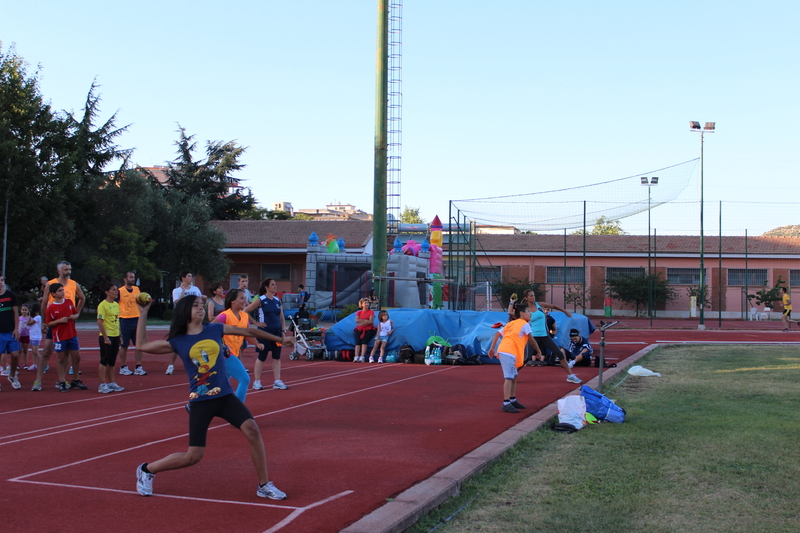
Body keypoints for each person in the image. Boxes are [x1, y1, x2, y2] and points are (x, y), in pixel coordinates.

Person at [133, 295, 293, 500]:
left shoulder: (214, 329)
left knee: (252, 428)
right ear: (184, 312)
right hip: (200, 401)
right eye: (195, 306)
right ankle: (147, 469)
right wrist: (143, 313)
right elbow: (141, 345)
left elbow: (247, 331)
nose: (201, 309)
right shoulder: (178, 341)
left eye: (201, 305)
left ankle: (264, 485)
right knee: (194, 456)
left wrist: (279, 339)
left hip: (225, 397)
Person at [33, 261, 86, 391]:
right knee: (46, 351)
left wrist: (76, 313)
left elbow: (82, 298)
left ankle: (62, 380)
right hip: (55, 323)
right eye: (65, 269)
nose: (68, 271)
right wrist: (44, 323)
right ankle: (38, 380)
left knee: (66, 353)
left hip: (68, 324)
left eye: (69, 269)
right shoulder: (50, 284)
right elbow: (44, 303)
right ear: (59, 271)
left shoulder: (74, 284)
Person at [516, 289, 582, 384]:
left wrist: (565, 311)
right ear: (526, 298)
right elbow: (514, 315)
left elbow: (554, 306)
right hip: (533, 336)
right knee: (527, 358)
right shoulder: (525, 309)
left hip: (545, 336)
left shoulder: (539, 305)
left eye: (534, 295)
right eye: (531, 296)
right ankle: (513, 374)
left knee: (559, 353)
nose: (533, 297)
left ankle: (570, 376)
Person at [488, 303, 542, 413]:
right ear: (522, 314)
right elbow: (532, 340)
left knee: (514, 376)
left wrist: (492, 348)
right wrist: (539, 351)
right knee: (509, 377)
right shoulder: (524, 324)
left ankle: (512, 399)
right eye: (528, 311)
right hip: (508, 351)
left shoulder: (511, 323)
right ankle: (506, 402)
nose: (530, 313)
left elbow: (497, 334)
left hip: (506, 350)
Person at [244, 278, 289, 390]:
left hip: (277, 333)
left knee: (276, 357)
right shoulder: (261, 300)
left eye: (275, 284)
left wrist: (283, 331)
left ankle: (277, 381)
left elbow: (282, 318)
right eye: (272, 285)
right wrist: (255, 322)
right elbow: (245, 311)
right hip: (264, 333)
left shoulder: (277, 301)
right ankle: (257, 381)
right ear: (266, 287)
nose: (275, 286)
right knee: (262, 356)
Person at [213, 289, 257, 402]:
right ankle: (238, 407)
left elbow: (247, 333)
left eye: (245, 298)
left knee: (220, 386)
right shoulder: (224, 316)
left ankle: (197, 406)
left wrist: (257, 343)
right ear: (233, 301)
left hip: (234, 353)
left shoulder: (245, 316)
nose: (245, 301)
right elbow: (209, 330)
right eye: (241, 298)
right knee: (244, 379)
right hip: (225, 354)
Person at [45, 282, 88, 392]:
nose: (62, 292)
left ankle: (76, 380)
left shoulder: (69, 302)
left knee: (77, 357)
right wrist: (60, 320)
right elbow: (49, 323)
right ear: (53, 294)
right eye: (59, 291)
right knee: (61, 358)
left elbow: (75, 313)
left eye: (63, 290)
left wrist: (74, 316)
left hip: (72, 334)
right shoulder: (51, 308)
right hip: (60, 336)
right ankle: (61, 380)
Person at [166, 270, 203, 375]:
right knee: (176, 339)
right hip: (181, 317)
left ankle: (198, 364)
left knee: (196, 340)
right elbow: (178, 302)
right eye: (189, 276)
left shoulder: (196, 289)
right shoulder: (176, 290)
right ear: (183, 278)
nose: (191, 278)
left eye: (191, 276)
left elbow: (200, 300)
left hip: (193, 318)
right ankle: (171, 365)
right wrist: (183, 290)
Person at [97, 282, 124, 393]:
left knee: (112, 361)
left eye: (116, 289)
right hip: (107, 337)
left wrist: (120, 335)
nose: (116, 291)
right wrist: (106, 337)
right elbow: (100, 322)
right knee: (104, 359)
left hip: (115, 335)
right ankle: (102, 384)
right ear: (107, 292)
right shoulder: (103, 305)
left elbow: (118, 321)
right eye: (113, 289)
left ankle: (111, 382)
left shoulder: (116, 304)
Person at [118, 271, 147, 376]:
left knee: (139, 344)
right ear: (125, 279)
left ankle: (138, 366)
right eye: (130, 277)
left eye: (133, 277)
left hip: (136, 319)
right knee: (124, 345)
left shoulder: (137, 289)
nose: (132, 279)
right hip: (125, 320)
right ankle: (123, 366)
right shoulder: (120, 291)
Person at [0, 274, 21, 390]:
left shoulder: (11, 295)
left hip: (11, 331)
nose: (0, 283)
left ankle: (12, 375)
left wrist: (16, 328)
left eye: (2, 280)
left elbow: (15, 313)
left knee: (15, 355)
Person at [353, 297, 376, 363]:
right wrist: (366, 321)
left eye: (367, 303)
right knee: (358, 342)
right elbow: (357, 321)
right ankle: (356, 356)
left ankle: (362, 356)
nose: (366, 304)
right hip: (360, 328)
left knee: (364, 341)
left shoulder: (371, 312)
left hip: (369, 329)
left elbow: (371, 321)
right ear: (362, 304)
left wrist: (362, 322)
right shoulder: (359, 312)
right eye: (365, 303)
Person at [26, 303, 42, 372]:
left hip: (36, 336)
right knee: (33, 352)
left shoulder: (37, 317)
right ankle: (35, 364)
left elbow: (28, 323)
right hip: (32, 335)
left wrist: (29, 315)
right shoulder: (36, 317)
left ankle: (43, 364)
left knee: (35, 352)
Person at [19, 303, 32, 369]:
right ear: (20, 310)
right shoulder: (19, 318)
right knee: (19, 350)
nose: (24, 311)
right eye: (23, 310)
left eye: (25, 310)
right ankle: (18, 363)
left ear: (28, 310)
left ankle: (25, 363)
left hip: (27, 335)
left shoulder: (30, 318)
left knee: (25, 350)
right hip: (20, 336)